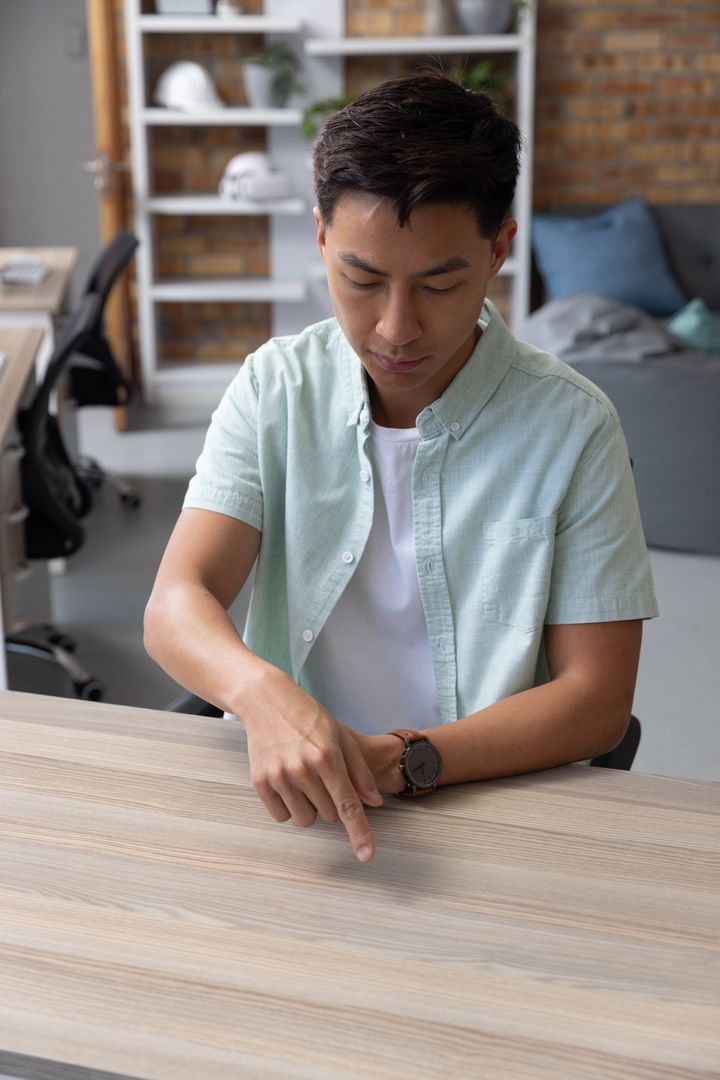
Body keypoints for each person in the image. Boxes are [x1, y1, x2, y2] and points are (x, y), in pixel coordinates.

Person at [144, 73, 658, 864]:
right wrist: (264, 696)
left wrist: (401, 759)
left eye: (439, 283)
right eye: (362, 278)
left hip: (488, 808)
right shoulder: (276, 386)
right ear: (320, 238)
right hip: (292, 800)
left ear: (498, 250)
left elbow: (595, 702)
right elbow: (178, 600)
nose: (395, 326)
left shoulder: (574, 426)